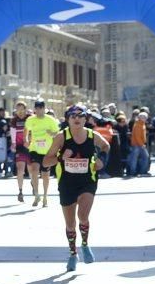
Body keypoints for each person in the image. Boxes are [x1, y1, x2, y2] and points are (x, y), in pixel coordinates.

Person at [43, 105, 110, 272]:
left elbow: (106, 146)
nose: (77, 118)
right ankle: (73, 253)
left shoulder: (91, 135)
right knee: (71, 224)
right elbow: (45, 162)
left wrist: (101, 160)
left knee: (83, 216)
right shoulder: (61, 137)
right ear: (67, 119)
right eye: (73, 116)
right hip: (67, 182)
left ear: (86, 119)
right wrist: (60, 157)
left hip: (87, 180)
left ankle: (85, 245)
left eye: (81, 115)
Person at [24, 100, 59, 207]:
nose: (38, 111)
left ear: (44, 109)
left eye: (40, 108)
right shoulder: (30, 119)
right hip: (35, 148)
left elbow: (57, 133)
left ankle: (45, 196)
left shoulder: (51, 120)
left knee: (45, 175)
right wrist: (25, 140)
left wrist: (51, 133)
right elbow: (26, 129)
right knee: (34, 170)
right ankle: (36, 195)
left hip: (47, 151)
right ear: (35, 109)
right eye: (37, 108)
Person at [10, 102, 31, 201]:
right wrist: (13, 143)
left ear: (25, 109)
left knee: (31, 170)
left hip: (30, 147)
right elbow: (13, 132)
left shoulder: (30, 118)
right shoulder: (14, 120)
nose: (20, 112)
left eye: (22, 109)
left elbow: (35, 131)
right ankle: (20, 191)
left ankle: (33, 183)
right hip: (19, 147)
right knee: (20, 170)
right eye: (18, 109)